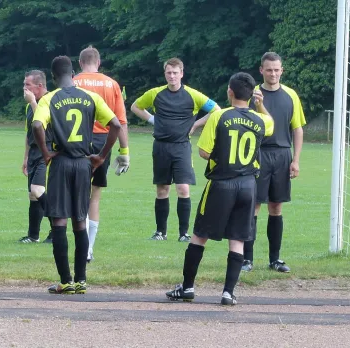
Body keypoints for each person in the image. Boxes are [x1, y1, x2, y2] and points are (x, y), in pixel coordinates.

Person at [166, 72, 274, 305]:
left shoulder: (219, 116)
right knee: (237, 239)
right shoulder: (260, 120)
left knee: (199, 235)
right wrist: (261, 105)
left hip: (221, 183)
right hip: (248, 185)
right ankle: (228, 292)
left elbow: (204, 151)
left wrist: (222, 156)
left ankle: (187, 287)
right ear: (252, 94)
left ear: (229, 92)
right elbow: (271, 125)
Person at [31, 56, 121, 294]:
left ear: (52, 77)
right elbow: (116, 124)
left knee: (59, 220)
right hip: (83, 164)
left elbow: (37, 125)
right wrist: (101, 156)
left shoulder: (49, 98)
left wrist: (46, 153)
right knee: (80, 221)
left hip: (60, 163)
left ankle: (65, 281)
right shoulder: (91, 97)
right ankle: (81, 280)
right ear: (73, 74)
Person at [131, 58, 220, 242]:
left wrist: (196, 124)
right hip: (161, 146)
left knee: (182, 188)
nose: (172, 76)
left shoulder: (193, 95)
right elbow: (135, 106)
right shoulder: (155, 94)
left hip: (182, 147)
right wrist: (152, 120)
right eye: (168, 73)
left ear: (182, 73)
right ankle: (160, 232)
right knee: (162, 189)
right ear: (165, 74)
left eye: (175, 72)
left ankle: (184, 233)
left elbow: (216, 110)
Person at [241, 52, 306, 273]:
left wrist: (296, 159)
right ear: (261, 70)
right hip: (258, 154)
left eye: (277, 69)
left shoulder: (291, 95)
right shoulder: (252, 95)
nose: (273, 73)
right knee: (254, 206)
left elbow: (297, 128)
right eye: (269, 69)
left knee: (276, 207)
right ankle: (246, 259)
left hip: (282, 154)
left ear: (282, 70)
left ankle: (274, 259)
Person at [73, 46, 129, 263]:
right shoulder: (111, 84)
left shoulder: (73, 82)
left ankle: (80, 246)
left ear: (80, 63)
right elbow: (121, 121)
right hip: (103, 141)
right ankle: (89, 249)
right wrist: (124, 151)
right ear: (99, 62)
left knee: (78, 194)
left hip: (76, 141)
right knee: (95, 196)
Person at [19, 70, 52, 244]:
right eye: (24, 84)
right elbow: (29, 132)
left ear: (39, 86)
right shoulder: (28, 106)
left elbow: (43, 127)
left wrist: (32, 102)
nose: (24, 88)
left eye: (28, 85)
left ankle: (57, 226)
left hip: (45, 151)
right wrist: (25, 158)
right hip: (33, 152)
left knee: (37, 190)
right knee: (32, 195)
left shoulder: (50, 101)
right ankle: (33, 236)